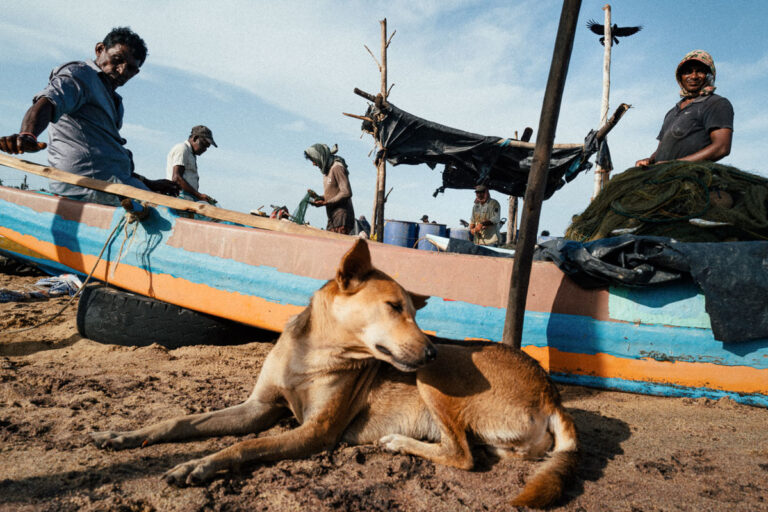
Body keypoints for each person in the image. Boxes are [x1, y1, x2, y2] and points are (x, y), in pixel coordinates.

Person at [0, 27, 178, 203]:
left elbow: (106, 153)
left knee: (179, 204)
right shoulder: (81, 75)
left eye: (130, 68)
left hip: (117, 183)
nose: (122, 71)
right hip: (89, 186)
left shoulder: (114, 100)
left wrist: (147, 183)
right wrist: (27, 134)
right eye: (116, 60)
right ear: (100, 49)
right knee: (170, 215)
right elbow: (48, 101)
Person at [636, 50, 733, 168]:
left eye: (700, 71)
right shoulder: (672, 112)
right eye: (688, 72)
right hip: (663, 176)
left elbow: (721, 147)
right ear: (680, 77)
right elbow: (661, 150)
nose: (693, 76)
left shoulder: (715, 103)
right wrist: (650, 160)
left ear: (709, 75)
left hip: (691, 177)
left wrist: (676, 165)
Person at [304, 143, 355, 234]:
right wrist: (319, 197)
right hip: (332, 218)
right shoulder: (327, 170)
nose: (314, 164)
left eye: (314, 160)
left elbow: (346, 192)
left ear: (320, 156)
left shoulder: (337, 167)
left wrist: (326, 202)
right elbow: (333, 193)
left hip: (342, 218)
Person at [166, 126, 217, 203]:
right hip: (178, 197)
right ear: (195, 138)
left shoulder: (191, 154)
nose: (205, 150)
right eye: (204, 145)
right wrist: (199, 195)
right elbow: (177, 178)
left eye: (207, 147)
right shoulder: (182, 148)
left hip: (187, 199)